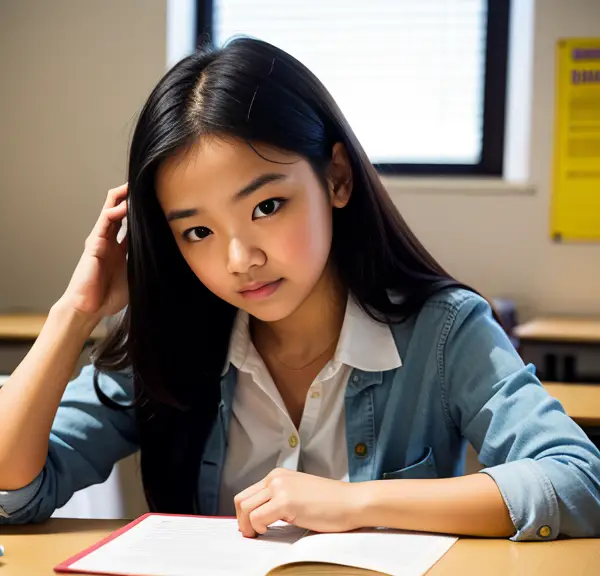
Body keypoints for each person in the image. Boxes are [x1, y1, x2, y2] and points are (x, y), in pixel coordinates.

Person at [1, 38, 599, 542]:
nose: (240, 259)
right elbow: (12, 493)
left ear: (336, 178)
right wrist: (73, 313)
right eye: (198, 231)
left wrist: (355, 505)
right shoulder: (170, 339)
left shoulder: (443, 333)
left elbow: (578, 481)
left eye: (267, 206)